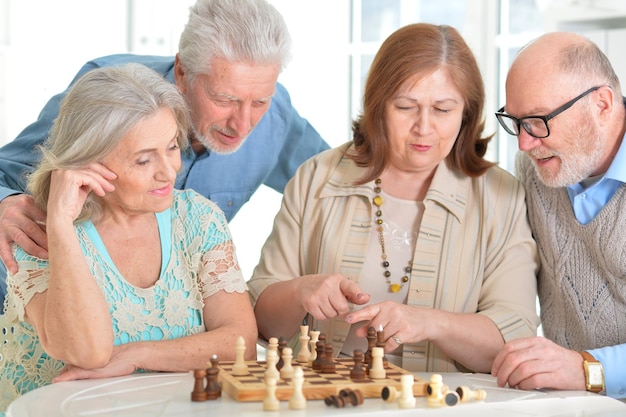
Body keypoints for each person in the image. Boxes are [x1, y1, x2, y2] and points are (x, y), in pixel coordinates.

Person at [247, 23, 539, 373]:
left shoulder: (501, 196)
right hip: (322, 400)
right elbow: (261, 320)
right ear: (377, 105)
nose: (424, 128)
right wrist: (300, 292)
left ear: (466, 113)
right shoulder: (316, 178)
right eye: (405, 106)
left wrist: (431, 323)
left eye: (443, 110)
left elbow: (516, 337)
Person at [0, 0, 329, 304]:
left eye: (259, 102)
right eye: (224, 100)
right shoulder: (108, 94)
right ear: (183, 72)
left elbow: (341, 177)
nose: (242, 125)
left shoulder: (277, 115)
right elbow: (6, 170)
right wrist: (4, 202)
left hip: (166, 323)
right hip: (50, 306)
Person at [0, 63, 257, 412]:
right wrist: (60, 222)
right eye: (143, 160)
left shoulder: (198, 218)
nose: (169, 172)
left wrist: (136, 355)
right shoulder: (37, 232)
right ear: (88, 162)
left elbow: (240, 342)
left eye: (170, 147)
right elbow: (87, 353)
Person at [491, 32, 626, 398]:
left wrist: (587, 369)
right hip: (566, 403)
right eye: (515, 121)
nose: (523, 142)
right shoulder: (532, 168)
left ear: (601, 104)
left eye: (538, 120)